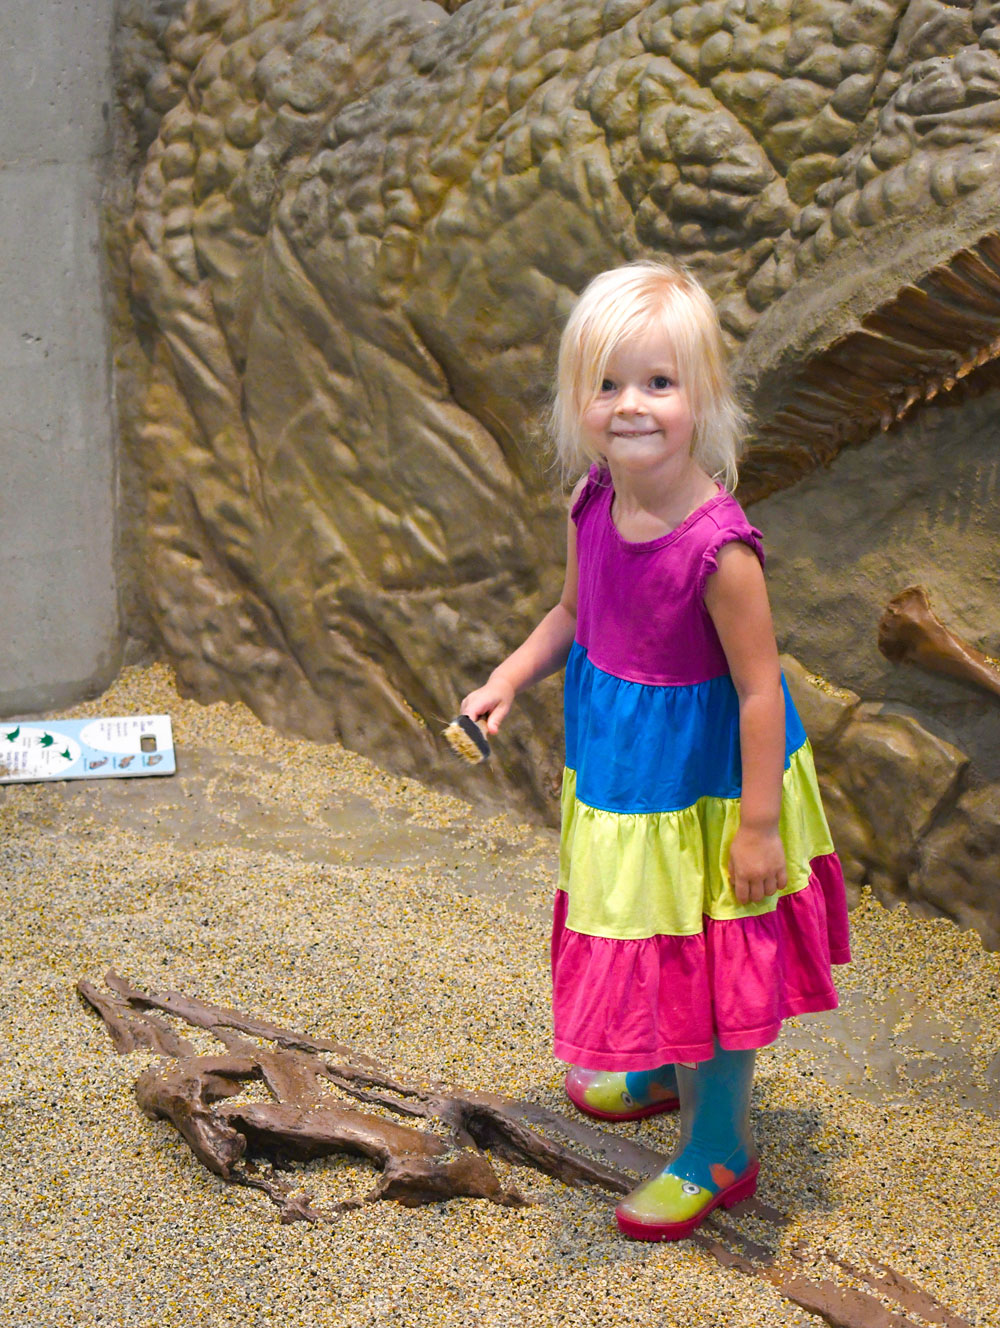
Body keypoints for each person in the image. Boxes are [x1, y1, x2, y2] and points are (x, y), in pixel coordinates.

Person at [460, 261, 850, 1241]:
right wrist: (508, 676)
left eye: (659, 383)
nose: (631, 405)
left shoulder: (719, 548)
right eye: (607, 383)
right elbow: (570, 612)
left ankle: (716, 1140)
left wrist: (758, 826)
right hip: (625, 777)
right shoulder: (591, 500)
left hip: (709, 788)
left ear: (702, 397)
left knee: (709, 951)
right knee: (647, 925)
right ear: (577, 400)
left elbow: (761, 690)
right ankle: (660, 1063)